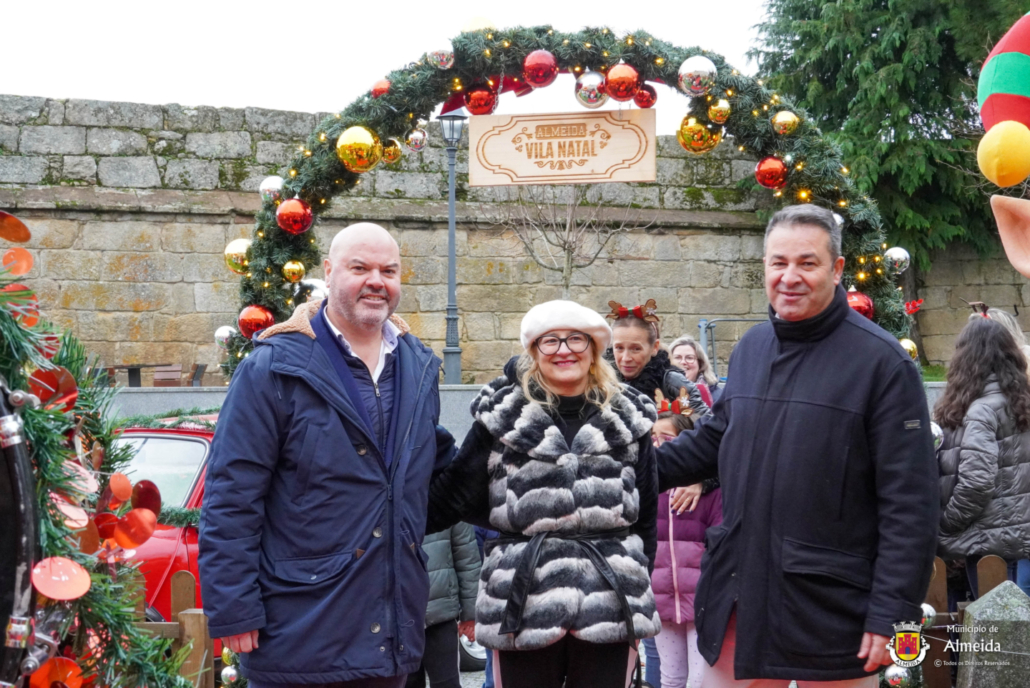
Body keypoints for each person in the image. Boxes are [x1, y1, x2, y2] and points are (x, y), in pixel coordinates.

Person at [656, 204, 939, 686]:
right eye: (778, 263)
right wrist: (625, 465)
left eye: (807, 263)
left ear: (837, 269)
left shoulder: (883, 363)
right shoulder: (752, 348)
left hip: (831, 611)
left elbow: (910, 502)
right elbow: (714, 440)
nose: (790, 277)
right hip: (737, 597)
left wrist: (891, 609)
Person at [198, 223, 456, 688]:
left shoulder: (417, 366)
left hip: (390, 634)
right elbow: (231, 497)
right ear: (330, 272)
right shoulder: (273, 367)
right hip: (299, 632)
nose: (376, 280)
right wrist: (234, 609)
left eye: (389, 270)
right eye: (360, 268)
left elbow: (430, 480)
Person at [425, 300, 661, 688]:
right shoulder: (502, 416)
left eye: (575, 340)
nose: (564, 350)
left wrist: (636, 576)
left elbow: (646, 513)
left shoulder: (629, 417)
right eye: (550, 341)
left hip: (610, 598)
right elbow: (455, 498)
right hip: (524, 598)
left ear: (593, 349)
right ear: (533, 351)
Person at [934, 316, 1030, 597]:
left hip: (992, 547)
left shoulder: (981, 412)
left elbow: (977, 483)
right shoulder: (1022, 403)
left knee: (996, 633)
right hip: (1021, 541)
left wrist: (947, 524)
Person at [650, 410, 722, 688]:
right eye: (653, 438)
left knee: (699, 680)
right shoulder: (647, 488)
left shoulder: (711, 492)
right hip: (662, 598)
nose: (658, 444)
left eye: (666, 438)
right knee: (670, 678)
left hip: (701, 599)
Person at [406, 523, 482, 688]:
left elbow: (468, 560)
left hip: (441, 615)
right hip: (400, 618)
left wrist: (470, 615)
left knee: (447, 683)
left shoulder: (447, 502)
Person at [605, 300, 710, 419]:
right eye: (619, 348)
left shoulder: (673, 383)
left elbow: (709, 427)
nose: (626, 358)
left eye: (636, 349)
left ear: (654, 347)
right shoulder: (600, 381)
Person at [668, 336, 721, 405]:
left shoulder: (718, 398)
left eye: (689, 358)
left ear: (700, 363)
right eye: (677, 357)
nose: (683, 362)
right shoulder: (658, 393)